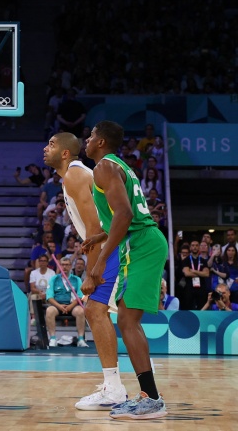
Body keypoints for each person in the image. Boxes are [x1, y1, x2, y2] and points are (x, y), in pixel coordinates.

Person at [83, 121, 168, 420]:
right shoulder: (119, 166)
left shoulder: (103, 167)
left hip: (141, 244)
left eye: (91, 136)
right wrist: (101, 236)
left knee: (128, 320)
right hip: (144, 240)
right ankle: (149, 396)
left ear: (101, 142)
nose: (87, 140)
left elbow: (125, 214)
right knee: (127, 318)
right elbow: (125, 215)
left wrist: (100, 261)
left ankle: (152, 399)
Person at [43, 132, 126, 410]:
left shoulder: (75, 175)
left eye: (52, 144)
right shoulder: (73, 176)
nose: (45, 148)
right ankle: (115, 386)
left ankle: (115, 389)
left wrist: (91, 273)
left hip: (114, 248)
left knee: (96, 311)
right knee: (102, 313)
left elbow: (94, 227)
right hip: (111, 246)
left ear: (65, 153)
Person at [45, 257, 88, 347]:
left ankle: (80, 339)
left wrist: (70, 306)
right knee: (49, 311)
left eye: (67, 265)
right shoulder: (54, 279)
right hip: (57, 306)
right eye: (62, 265)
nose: (64, 267)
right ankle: (53, 339)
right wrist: (59, 306)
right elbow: (49, 297)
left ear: (71, 266)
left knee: (81, 311)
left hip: (72, 306)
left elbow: (80, 297)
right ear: (59, 266)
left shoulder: (77, 279)